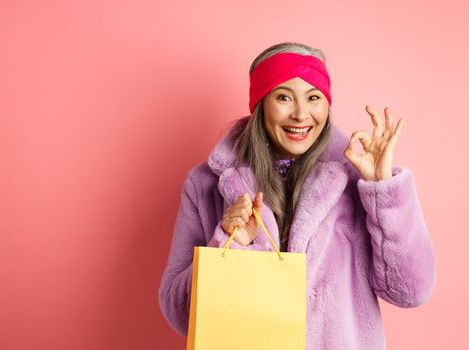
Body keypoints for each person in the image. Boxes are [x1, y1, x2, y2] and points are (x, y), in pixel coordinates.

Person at [158, 42, 435, 349]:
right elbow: (180, 313)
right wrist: (229, 241)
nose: (301, 114)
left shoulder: (356, 183)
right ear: (262, 103)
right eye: (284, 97)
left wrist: (383, 190)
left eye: (314, 97)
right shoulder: (205, 185)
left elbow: (410, 290)